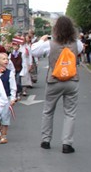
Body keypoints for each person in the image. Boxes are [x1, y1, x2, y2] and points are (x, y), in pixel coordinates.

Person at [30, 15, 84, 153]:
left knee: (48, 111)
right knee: (70, 113)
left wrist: (41, 39)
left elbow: (34, 51)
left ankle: (46, 140)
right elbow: (81, 49)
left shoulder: (50, 44)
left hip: (54, 80)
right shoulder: (76, 43)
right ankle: (67, 143)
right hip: (72, 80)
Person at [0, 52, 17, 144]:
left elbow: (13, 86)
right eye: (3, 59)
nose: (6, 60)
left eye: (7, 59)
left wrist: (12, 98)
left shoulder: (9, 73)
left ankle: (4, 136)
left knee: (5, 116)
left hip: (5, 99)